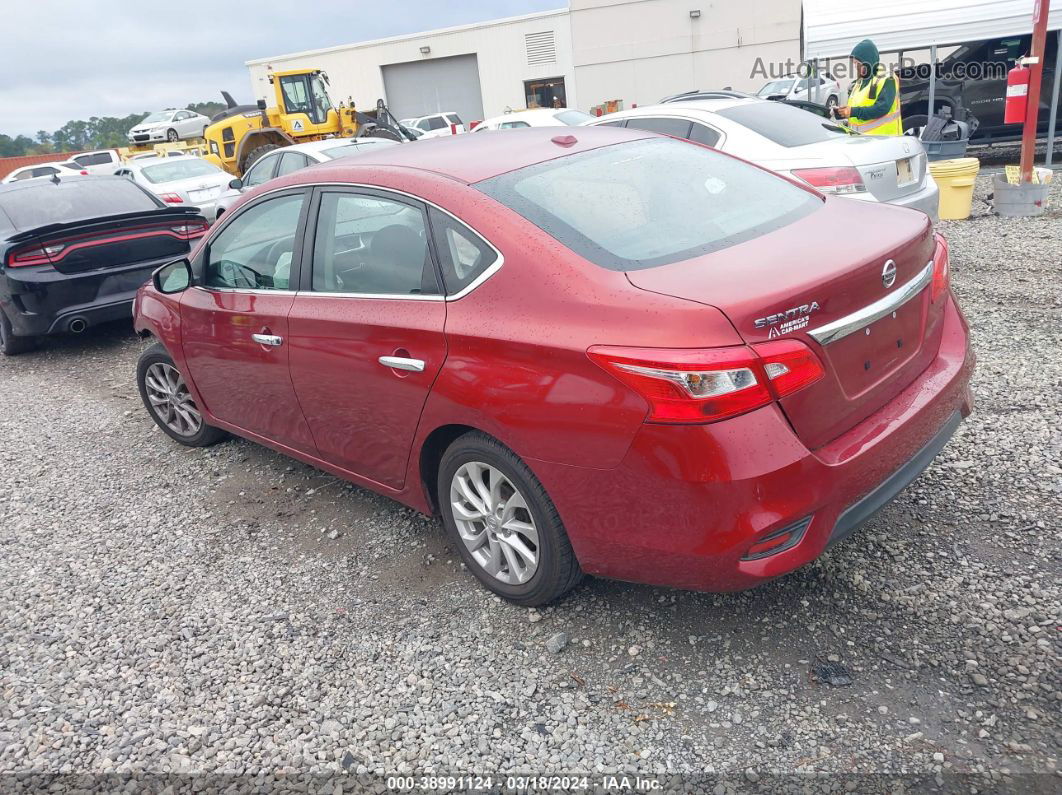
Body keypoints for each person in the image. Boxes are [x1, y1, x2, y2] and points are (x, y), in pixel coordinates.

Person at [834, 38, 902, 135]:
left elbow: (881, 108)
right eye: (854, 64)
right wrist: (843, 112)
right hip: (863, 140)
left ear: (868, 62)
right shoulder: (859, 83)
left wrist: (852, 112)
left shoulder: (887, 78)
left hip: (885, 140)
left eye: (858, 63)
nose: (856, 67)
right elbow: (856, 110)